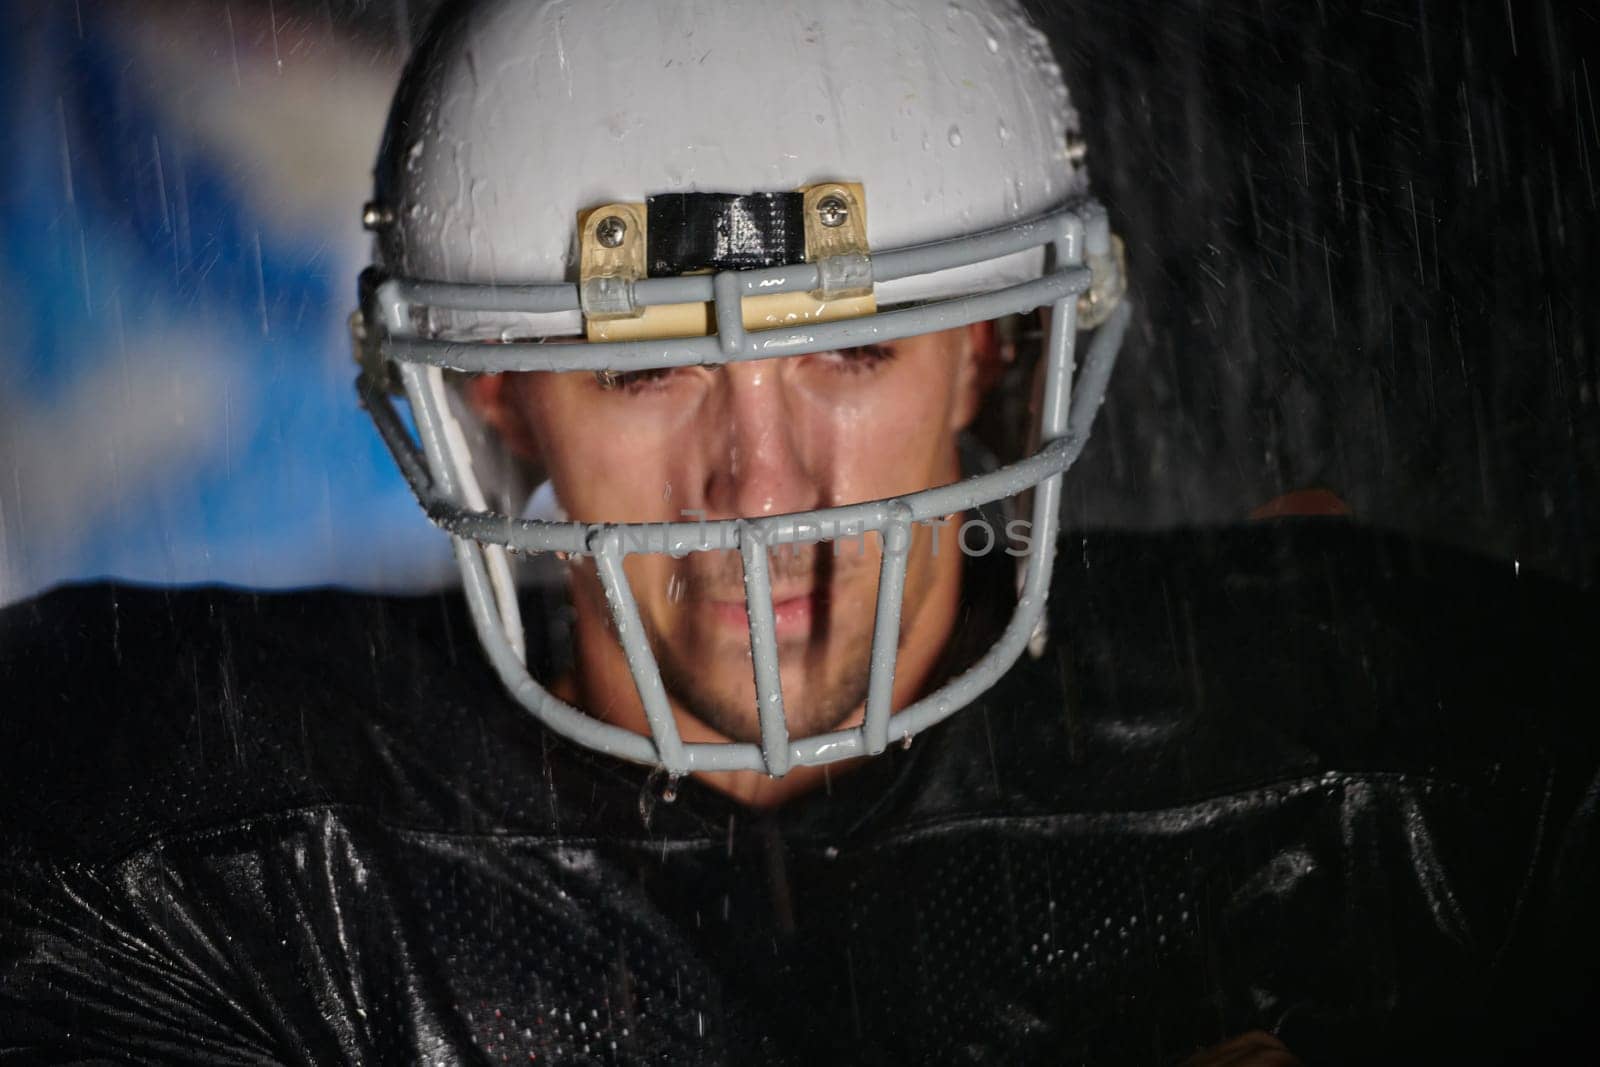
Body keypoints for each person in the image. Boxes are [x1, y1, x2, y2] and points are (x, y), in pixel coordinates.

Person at [2, 0, 1596, 1063]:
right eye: (636, 365)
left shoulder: (1399, 767)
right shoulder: (187, 841)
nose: (759, 486)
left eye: (850, 348)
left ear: (991, 352)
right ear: (498, 402)